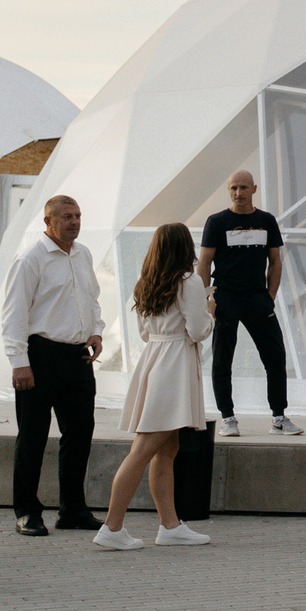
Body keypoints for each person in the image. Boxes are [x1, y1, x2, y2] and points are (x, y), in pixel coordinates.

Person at [95, 223, 213, 550]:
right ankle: (112, 527)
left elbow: (146, 334)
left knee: (166, 449)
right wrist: (210, 310)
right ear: (184, 247)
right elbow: (199, 330)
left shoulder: (144, 283)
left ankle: (169, 525)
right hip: (175, 366)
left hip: (154, 359)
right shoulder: (190, 282)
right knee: (145, 450)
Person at [3, 194, 104, 536]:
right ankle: (26, 511)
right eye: (66, 217)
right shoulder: (31, 258)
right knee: (33, 434)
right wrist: (19, 362)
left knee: (79, 434)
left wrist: (96, 332)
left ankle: (73, 510)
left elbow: (91, 298)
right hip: (40, 355)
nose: (74, 222)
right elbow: (14, 313)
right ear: (48, 221)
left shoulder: (83, 254)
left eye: (77, 215)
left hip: (77, 356)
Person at [198, 170, 298, 437]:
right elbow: (204, 262)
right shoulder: (217, 222)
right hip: (225, 297)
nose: (238, 193)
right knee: (222, 360)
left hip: (257, 298)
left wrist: (270, 296)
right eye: (233, 188)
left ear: (254, 189)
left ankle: (279, 415)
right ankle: (228, 417)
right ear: (228, 190)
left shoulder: (266, 221)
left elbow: (275, 260)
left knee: (275, 356)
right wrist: (207, 298)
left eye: (243, 188)